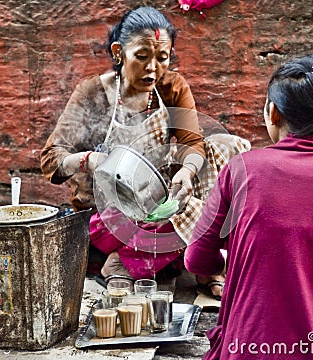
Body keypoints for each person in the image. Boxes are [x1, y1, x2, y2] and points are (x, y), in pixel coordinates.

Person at [40, 6, 250, 298]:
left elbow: (193, 143)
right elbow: (51, 158)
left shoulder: (171, 86)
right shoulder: (92, 93)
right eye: (142, 57)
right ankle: (139, 261)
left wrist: (187, 173)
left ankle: (143, 259)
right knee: (190, 217)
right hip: (108, 215)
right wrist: (89, 160)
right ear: (118, 52)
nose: (153, 67)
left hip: (156, 206)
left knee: (225, 151)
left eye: (162, 58)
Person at [185, 54, 313, 359]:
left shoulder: (240, 169)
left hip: (249, 347)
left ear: (272, 113)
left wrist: (230, 267)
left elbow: (196, 259)